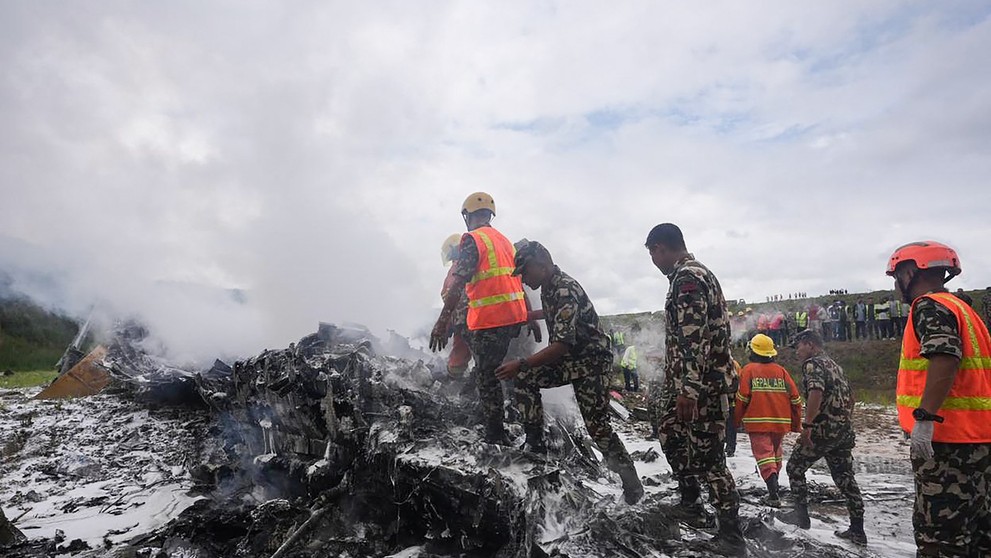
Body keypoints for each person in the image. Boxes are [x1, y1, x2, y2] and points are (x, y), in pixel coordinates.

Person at [494, 240, 644, 504]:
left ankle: (632, 485)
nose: (524, 280)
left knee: (598, 428)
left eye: (525, 272)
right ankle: (535, 444)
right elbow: (554, 314)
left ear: (540, 265)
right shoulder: (549, 286)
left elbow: (562, 345)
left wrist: (524, 363)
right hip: (572, 361)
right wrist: (531, 315)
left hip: (591, 364)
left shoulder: (564, 289)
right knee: (525, 379)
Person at [644, 223, 746, 556]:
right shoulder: (688, 275)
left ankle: (731, 535)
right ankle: (690, 503)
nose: (653, 261)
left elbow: (694, 338)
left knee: (710, 459)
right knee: (668, 432)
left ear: (660, 248)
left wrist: (688, 389)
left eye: (652, 254)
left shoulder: (688, 279)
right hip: (687, 383)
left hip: (703, 386)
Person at [886, 241, 991, 556]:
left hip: (947, 443)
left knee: (940, 540)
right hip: (979, 440)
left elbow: (945, 356)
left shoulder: (928, 305)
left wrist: (925, 418)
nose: (894, 286)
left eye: (896, 276)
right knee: (979, 535)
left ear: (910, 272)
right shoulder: (965, 310)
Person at [430, 192, 541, 444]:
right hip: (513, 319)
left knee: (487, 378)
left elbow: (458, 282)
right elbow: (516, 279)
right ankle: (533, 435)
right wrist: (528, 316)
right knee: (509, 371)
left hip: (490, 321)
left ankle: (495, 435)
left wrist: (440, 323)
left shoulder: (473, 239)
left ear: (467, 216)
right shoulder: (504, 240)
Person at [777, 329, 866, 545]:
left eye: (798, 346)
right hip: (842, 431)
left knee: (795, 468)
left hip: (822, 431)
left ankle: (801, 517)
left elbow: (815, 392)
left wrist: (807, 426)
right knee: (845, 477)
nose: (796, 351)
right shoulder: (835, 365)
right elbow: (851, 397)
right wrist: (845, 422)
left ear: (809, 344)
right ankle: (857, 529)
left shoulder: (812, 364)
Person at [734, 334, 801, 507]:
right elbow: (795, 399)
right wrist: (795, 424)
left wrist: (735, 421)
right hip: (780, 423)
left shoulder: (748, 370)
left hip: (758, 423)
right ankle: (774, 488)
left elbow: (742, 398)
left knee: (764, 457)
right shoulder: (781, 371)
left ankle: (773, 495)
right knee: (775, 455)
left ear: (754, 351)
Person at [439, 233, 472, 378]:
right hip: (470, 317)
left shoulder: (457, 269)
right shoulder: (466, 265)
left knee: (457, 361)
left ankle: (455, 381)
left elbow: (453, 296)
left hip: (464, 319)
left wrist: (445, 324)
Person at [726, 359, 741, 458]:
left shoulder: (733, 364)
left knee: (730, 425)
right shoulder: (735, 364)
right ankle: (730, 447)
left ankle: (730, 447)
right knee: (731, 426)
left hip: (729, 400)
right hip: (732, 399)